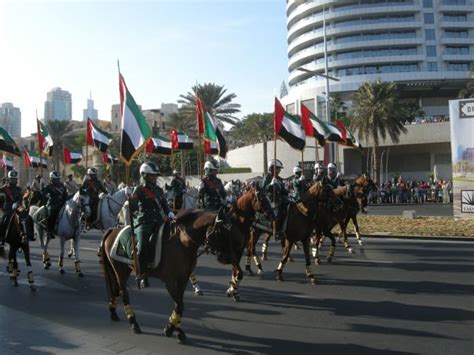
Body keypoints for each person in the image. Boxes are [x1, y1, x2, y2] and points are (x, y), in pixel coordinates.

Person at [129, 162, 175, 288]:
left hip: (159, 221)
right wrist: (130, 199)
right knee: (143, 246)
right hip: (144, 223)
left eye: (155, 176)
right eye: (151, 176)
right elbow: (131, 209)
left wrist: (170, 213)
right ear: (144, 176)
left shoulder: (158, 190)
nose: (154, 178)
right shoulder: (138, 190)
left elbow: (164, 204)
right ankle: (142, 274)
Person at [0, 170, 35, 242]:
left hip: (18, 208)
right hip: (8, 208)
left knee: (28, 218)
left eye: (15, 179)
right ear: (8, 179)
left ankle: (30, 235)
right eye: (12, 179)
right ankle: (2, 237)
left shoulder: (19, 189)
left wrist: (28, 193)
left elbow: (24, 196)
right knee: (4, 219)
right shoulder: (4, 188)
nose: (13, 181)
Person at [261, 159, 289, 235]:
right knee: (277, 213)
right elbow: (263, 189)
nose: (279, 170)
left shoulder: (279, 179)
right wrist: (270, 185)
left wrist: (288, 193)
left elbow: (283, 191)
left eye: (279, 169)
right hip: (271, 201)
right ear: (272, 168)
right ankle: (276, 230)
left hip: (280, 200)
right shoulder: (267, 177)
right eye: (278, 168)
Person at [42, 171, 68, 237]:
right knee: (51, 215)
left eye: (58, 179)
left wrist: (66, 202)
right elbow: (43, 194)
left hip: (61, 204)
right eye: (56, 179)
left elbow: (65, 195)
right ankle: (49, 231)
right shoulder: (49, 186)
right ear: (51, 179)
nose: (57, 180)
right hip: (52, 204)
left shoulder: (62, 185)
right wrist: (43, 188)